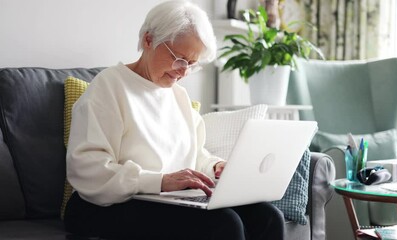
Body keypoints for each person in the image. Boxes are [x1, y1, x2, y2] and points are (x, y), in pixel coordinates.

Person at [64, 1, 285, 239]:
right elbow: (88, 169)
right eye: (179, 59)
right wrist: (160, 181)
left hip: (165, 200)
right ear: (149, 40)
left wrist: (214, 167)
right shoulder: (110, 86)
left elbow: (195, 154)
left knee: (268, 217)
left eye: (192, 64)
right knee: (224, 224)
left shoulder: (178, 95)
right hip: (108, 204)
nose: (183, 72)